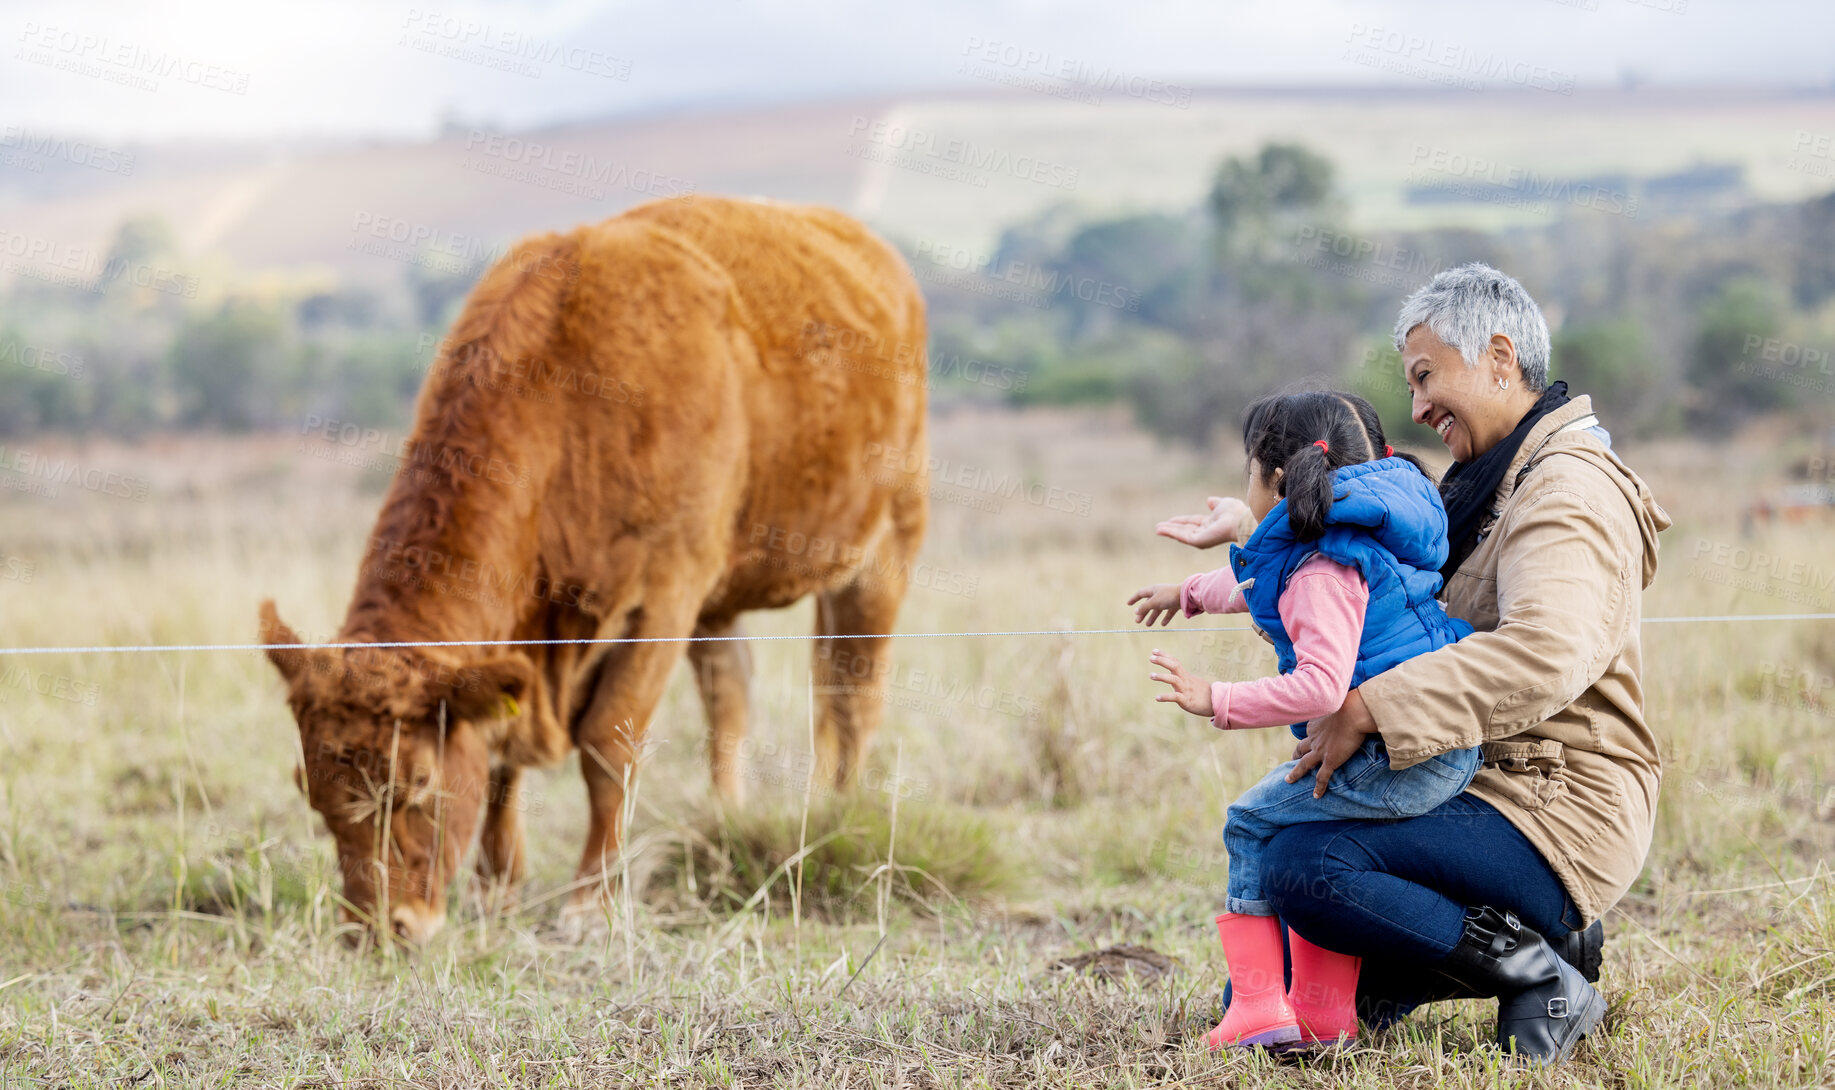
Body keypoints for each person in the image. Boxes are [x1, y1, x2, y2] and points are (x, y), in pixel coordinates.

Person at [1158, 263, 1670, 1064]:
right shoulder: (1482, 483)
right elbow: (1356, 613)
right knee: (1285, 985)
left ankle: (1536, 970)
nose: (1417, 406)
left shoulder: (1565, 493)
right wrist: (1254, 537)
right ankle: (1527, 947)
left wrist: (1369, 709)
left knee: (1306, 866)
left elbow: (1545, 653)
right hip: (1457, 775)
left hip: (1552, 799)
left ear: (1499, 358)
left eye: (1427, 377)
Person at [1128, 389, 1478, 1051]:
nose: (1244, 488)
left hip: (1394, 755)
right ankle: (1322, 1017)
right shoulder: (1346, 532)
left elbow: (1319, 686)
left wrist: (1218, 700)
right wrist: (1191, 594)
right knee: (1297, 833)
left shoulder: (1322, 567)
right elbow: (1267, 584)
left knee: (1250, 823)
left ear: (1276, 479)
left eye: (1247, 472)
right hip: (1423, 742)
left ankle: (1259, 1008)